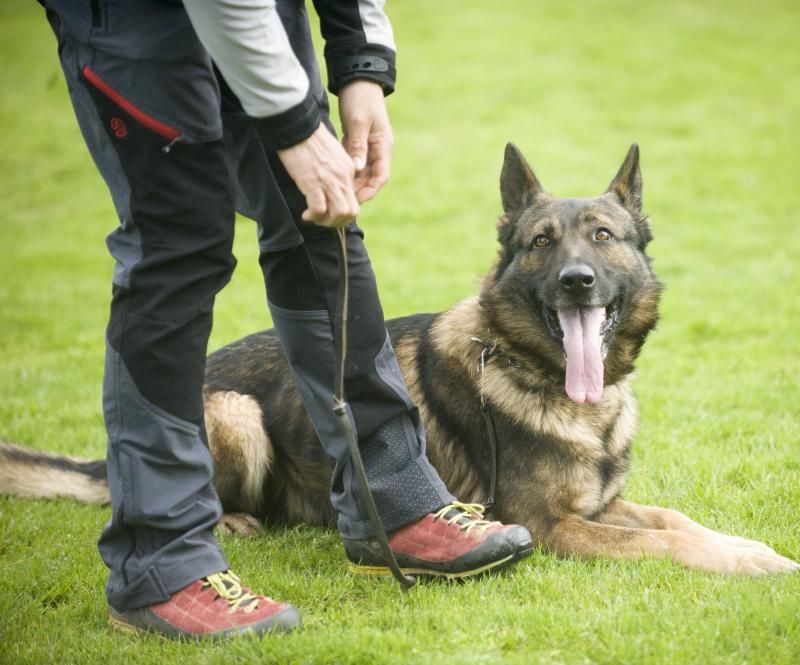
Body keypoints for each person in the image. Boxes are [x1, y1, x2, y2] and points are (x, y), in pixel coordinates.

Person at [40, 0, 533, 640]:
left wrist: (361, 65)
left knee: (322, 225)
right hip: (137, 24)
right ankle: (158, 564)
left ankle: (394, 500)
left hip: (265, 18)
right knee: (176, 250)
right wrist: (296, 126)